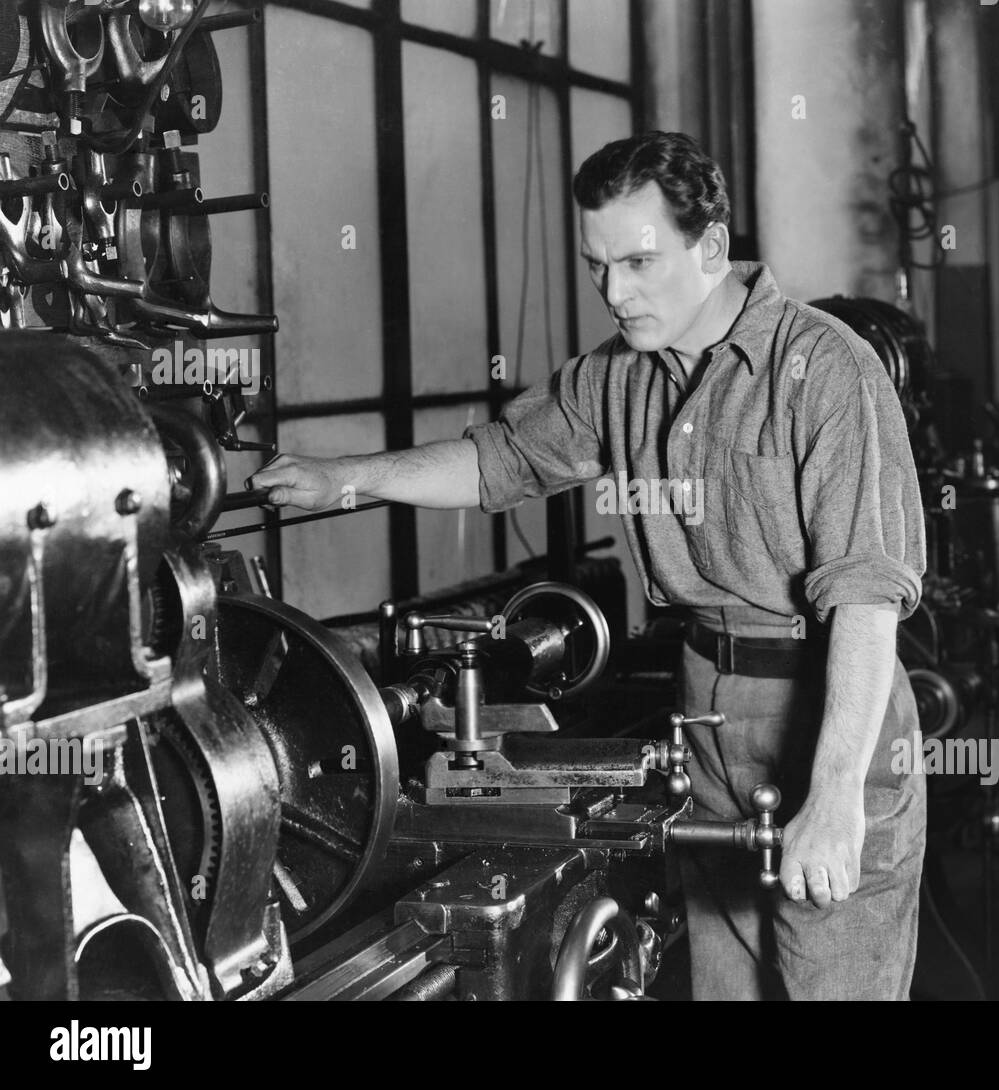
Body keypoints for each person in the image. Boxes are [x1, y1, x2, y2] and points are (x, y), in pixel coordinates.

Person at [250, 131, 928, 1001]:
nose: (615, 292)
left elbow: (868, 601)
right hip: (706, 717)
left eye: (641, 262)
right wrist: (344, 481)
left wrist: (835, 802)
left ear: (712, 247)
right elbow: (500, 461)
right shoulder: (617, 378)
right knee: (726, 987)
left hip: (833, 707)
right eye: (599, 265)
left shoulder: (825, 369)